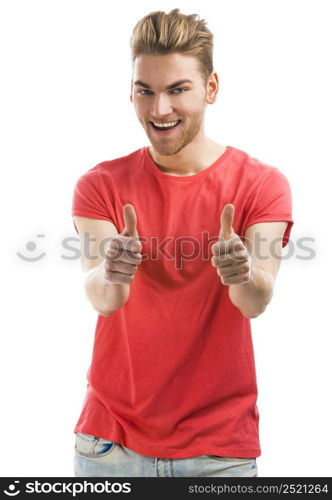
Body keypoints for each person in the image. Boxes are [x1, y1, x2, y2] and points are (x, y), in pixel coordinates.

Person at [71, 8, 294, 477]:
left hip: (218, 453)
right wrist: (110, 271)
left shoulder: (262, 185)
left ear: (210, 88)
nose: (160, 110)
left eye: (178, 90)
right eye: (145, 91)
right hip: (108, 447)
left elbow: (256, 301)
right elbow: (103, 298)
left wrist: (244, 272)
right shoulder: (100, 184)